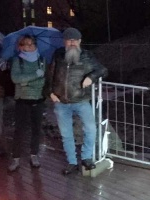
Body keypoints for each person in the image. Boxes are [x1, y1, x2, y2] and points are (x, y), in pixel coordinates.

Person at [47, 27, 108, 175]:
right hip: (61, 102)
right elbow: (50, 74)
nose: (72, 43)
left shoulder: (87, 56)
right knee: (66, 134)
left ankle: (86, 158)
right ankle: (72, 162)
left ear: (80, 41)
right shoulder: (58, 55)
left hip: (81, 100)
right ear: (64, 41)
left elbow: (102, 70)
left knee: (90, 129)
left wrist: (90, 77)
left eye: (75, 40)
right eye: (69, 40)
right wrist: (49, 92)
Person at [8, 35, 47, 172]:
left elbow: (43, 82)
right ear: (20, 46)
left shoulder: (42, 60)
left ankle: (34, 155)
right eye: (25, 44)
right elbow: (15, 78)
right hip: (22, 100)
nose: (28, 47)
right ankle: (16, 158)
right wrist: (36, 75)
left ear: (35, 45)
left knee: (36, 129)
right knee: (20, 130)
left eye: (31, 44)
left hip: (38, 99)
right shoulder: (17, 60)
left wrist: (25, 83)